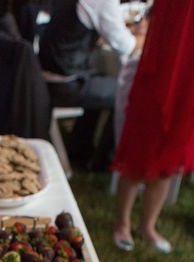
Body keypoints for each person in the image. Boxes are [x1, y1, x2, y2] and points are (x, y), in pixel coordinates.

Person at [112, 0, 194, 253]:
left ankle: (148, 225)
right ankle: (123, 223)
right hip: (159, 70)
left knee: (171, 155)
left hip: (189, 82)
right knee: (139, 148)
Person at [39, 0, 144, 167]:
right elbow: (125, 46)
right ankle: (105, 161)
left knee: (102, 79)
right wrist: (141, 38)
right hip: (64, 84)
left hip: (46, 76)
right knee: (127, 89)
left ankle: (80, 149)